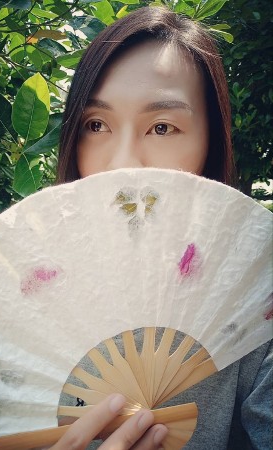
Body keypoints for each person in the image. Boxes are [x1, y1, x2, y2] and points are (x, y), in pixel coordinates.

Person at [52, 6, 272, 450]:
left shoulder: (253, 304)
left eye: (161, 127)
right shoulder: (24, 285)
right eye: (96, 125)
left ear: (210, 143)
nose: (123, 164)